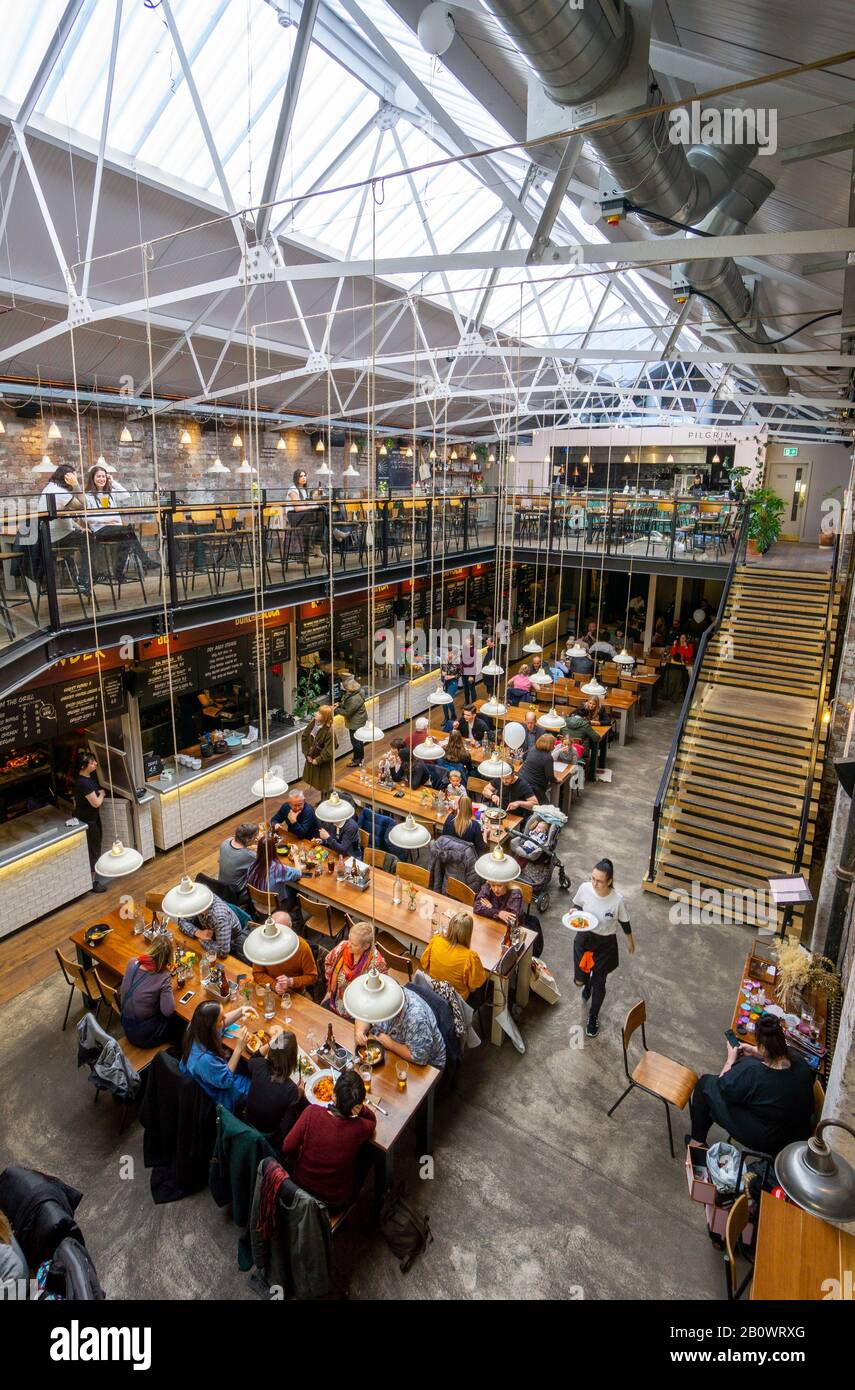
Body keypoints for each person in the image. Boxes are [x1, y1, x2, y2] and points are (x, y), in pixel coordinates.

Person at [687, 1016, 815, 1155]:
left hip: (771, 1139)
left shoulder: (754, 1073)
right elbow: (777, 1057)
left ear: (763, 1047)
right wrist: (755, 1051)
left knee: (705, 1085)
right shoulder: (800, 1061)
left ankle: (696, 1143)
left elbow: (722, 1086)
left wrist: (730, 1060)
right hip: (798, 1133)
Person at [281, 1068, 376, 1211]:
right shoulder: (359, 1127)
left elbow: (287, 1147)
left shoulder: (311, 1112)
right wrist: (362, 1109)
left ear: (333, 1096)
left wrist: (302, 1153)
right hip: (334, 1202)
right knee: (369, 1151)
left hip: (300, 1190)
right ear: (356, 1105)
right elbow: (372, 1122)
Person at [571, 858, 635, 1038]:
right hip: (584, 938)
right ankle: (587, 983)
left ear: (609, 881)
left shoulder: (617, 900)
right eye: (592, 878)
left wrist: (630, 941)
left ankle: (593, 1016)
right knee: (580, 981)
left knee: (600, 982)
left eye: (599, 881)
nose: (594, 883)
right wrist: (574, 911)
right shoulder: (585, 888)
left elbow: (624, 922)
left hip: (605, 944)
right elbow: (577, 905)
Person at [180, 999, 254, 1112]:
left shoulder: (196, 1027)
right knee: (255, 1086)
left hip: (210, 1074)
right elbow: (226, 1081)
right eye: (221, 1019)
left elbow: (221, 1025)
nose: (224, 1019)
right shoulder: (204, 1059)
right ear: (212, 1026)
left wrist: (241, 1011)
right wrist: (239, 1048)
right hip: (220, 1093)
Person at [83, 464, 154, 578]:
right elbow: (85, 517)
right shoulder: (88, 496)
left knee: (127, 539)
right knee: (129, 532)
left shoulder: (110, 493)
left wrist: (113, 482)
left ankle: (119, 573)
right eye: (98, 476)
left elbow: (125, 495)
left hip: (115, 529)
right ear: (92, 478)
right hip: (100, 531)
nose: (101, 479)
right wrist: (105, 520)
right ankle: (143, 562)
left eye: (103, 476)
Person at [119, 932, 185, 1048]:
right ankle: (178, 1052)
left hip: (126, 1024)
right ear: (168, 958)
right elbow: (168, 1011)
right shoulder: (163, 976)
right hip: (144, 1034)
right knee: (181, 1022)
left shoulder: (132, 962)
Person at [243, 1028, 306, 1144]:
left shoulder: (259, 1064)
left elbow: (254, 1058)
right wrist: (299, 1095)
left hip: (246, 1120)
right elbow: (286, 1128)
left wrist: (271, 1043)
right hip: (266, 1135)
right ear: (293, 1061)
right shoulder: (291, 1089)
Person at [356, 988, 446, 1069]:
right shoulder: (382, 996)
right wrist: (359, 1031)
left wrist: (389, 1043)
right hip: (390, 1044)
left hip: (428, 1065)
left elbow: (419, 1057)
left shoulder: (416, 1019)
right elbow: (363, 1014)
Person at [323, 919, 388, 1019]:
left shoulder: (376, 964)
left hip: (358, 1009)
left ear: (366, 946)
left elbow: (380, 989)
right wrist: (331, 984)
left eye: (354, 944)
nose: (348, 945)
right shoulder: (342, 947)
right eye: (349, 939)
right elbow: (328, 961)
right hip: (336, 999)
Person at [420, 911, 487, 1002]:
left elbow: (424, 964)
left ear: (450, 927)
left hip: (434, 990)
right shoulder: (470, 957)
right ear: (469, 933)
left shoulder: (436, 941)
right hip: (456, 1001)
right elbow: (473, 988)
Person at [250, 911, 318, 995]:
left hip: (295, 992)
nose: (277, 938)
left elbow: (312, 977)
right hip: (270, 990)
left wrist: (291, 981)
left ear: (290, 928)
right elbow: (257, 973)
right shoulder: (261, 944)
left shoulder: (302, 947)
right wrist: (274, 985)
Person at [75, 750, 107, 892]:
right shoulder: (84, 783)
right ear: (83, 766)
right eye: (92, 762)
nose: (95, 763)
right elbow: (96, 803)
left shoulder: (87, 778)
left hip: (92, 819)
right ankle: (93, 883)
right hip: (88, 822)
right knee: (93, 851)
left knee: (95, 848)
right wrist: (102, 794)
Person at [247, 832, 302, 909]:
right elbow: (298, 873)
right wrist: (295, 855)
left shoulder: (252, 865)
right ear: (274, 850)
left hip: (257, 903)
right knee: (297, 890)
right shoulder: (277, 869)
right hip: (273, 907)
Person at [179, 892, 243, 957]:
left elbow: (223, 952)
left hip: (230, 943)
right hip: (212, 934)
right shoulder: (197, 900)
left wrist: (202, 941)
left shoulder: (219, 918)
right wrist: (197, 932)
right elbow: (182, 921)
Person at [561, 706, 602, 783]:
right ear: (585, 717)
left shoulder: (564, 721)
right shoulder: (585, 725)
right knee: (593, 745)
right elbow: (596, 738)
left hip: (564, 749)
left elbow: (561, 733)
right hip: (579, 752)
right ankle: (591, 776)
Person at [300, 704, 335, 794]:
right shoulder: (313, 723)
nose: (316, 713)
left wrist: (318, 760)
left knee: (324, 784)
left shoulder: (329, 732)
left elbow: (329, 751)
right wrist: (307, 754)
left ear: (324, 717)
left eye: (319, 713)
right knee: (317, 782)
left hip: (323, 763)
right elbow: (304, 737)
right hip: (311, 757)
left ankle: (327, 800)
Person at [217, 822, 258, 895]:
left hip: (220, 885)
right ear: (248, 839)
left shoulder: (225, 842)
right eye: (255, 836)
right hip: (236, 891)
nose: (256, 839)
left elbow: (219, 860)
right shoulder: (250, 855)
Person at [336, 677, 368, 767]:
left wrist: (335, 709)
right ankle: (360, 758)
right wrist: (340, 704)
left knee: (356, 742)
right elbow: (348, 703)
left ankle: (357, 760)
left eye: (345, 688)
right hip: (359, 719)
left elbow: (347, 712)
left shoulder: (354, 698)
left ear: (350, 688)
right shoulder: (358, 692)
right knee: (359, 741)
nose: (344, 689)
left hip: (356, 723)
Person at [522, 733, 557, 801]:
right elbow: (550, 777)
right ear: (549, 745)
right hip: (535, 787)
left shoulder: (533, 749)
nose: (554, 746)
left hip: (522, 781)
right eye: (553, 744)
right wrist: (556, 780)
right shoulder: (548, 757)